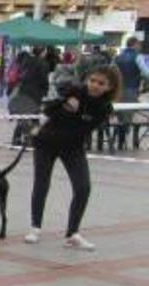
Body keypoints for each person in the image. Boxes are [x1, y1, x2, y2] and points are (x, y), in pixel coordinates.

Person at [24, 66, 120, 251]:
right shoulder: (73, 91)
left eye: (101, 83)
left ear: (109, 87)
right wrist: (65, 106)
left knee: (83, 187)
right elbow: (48, 110)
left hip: (73, 147)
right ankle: (35, 227)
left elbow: (84, 130)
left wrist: (73, 113)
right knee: (41, 183)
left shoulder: (104, 107)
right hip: (47, 142)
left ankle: (72, 234)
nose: (95, 85)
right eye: (92, 80)